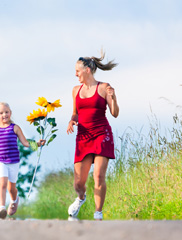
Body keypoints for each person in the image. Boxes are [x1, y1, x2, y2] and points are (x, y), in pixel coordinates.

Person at [66, 50, 119, 220]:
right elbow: (75, 113)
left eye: (77, 71)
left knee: (99, 175)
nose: (75, 74)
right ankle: (81, 198)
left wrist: (114, 98)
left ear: (87, 70)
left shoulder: (104, 87)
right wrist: (71, 121)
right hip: (83, 136)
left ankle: (98, 212)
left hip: (102, 134)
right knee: (79, 183)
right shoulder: (75, 90)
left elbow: (115, 113)